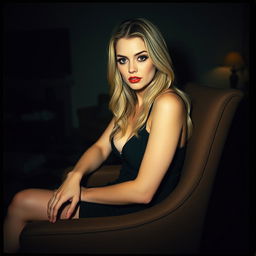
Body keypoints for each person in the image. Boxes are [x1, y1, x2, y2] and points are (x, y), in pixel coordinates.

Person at [4, 18, 192, 253]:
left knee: (22, 202)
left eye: (141, 57)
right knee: (24, 202)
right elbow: (101, 148)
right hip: (119, 195)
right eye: (123, 60)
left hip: (141, 214)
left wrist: (82, 193)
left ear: (158, 57)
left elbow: (144, 192)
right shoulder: (132, 102)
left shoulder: (168, 103)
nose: (131, 69)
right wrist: (75, 174)